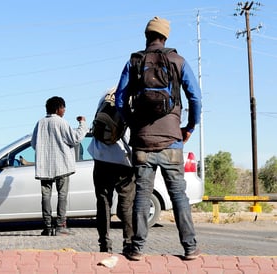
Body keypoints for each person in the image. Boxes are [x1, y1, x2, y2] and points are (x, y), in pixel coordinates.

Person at [115, 16, 202, 261]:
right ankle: (190, 247)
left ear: (146, 35)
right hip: (172, 140)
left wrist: (133, 124)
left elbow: (120, 100)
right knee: (178, 195)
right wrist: (189, 127)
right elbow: (196, 98)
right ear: (165, 36)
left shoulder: (134, 62)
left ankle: (137, 248)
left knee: (142, 194)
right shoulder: (178, 61)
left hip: (142, 142)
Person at [31, 96, 89, 236]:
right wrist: (82, 124)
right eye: (63, 108)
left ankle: (47, 226)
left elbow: (34, 144)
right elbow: (75, 139)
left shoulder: (40, 123)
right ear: (58, 109)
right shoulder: (61, 122)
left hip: (44, 167)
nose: (64, 111)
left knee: (45, 196)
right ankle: (61, 225)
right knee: (62, 195)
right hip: (62, 165)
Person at [88, 88, 135, 254]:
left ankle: (104, 244)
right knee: (126, 204)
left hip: (101, 156)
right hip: (123, 160)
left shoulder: (107, 94)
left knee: (103, 202)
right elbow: (132, 133)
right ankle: (128, 243)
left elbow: (97, 122)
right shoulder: (135, 96)